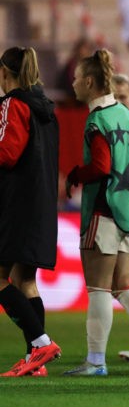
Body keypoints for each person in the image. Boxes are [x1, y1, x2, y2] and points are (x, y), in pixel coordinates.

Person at [64, 49, 129, 376]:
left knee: (99, 287)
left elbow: (102, 167)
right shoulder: (123, 113)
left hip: (103, 211)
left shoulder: (97, 119)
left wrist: (77, 174)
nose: (73, 83)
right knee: (124, 285)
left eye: (77, 78)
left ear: (89, 82)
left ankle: (95, 362)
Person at [0, 47, 62, 377]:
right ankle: (35, 360)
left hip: (15, 202)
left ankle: (40, 342)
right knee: (25, 280)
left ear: (4, 72)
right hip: (41, 202)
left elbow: (7, 153)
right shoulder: (46, 109)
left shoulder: (14, 104)